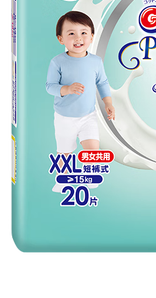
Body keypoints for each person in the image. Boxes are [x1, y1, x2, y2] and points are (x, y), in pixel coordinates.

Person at [46, 11, 115, 192]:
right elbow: (50, 86)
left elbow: (102, 82)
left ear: (91, 36)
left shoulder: (96, 61)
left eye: (84, 33)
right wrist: (67, 89)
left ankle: (90, 176)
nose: (78, 38)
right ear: (61, 39)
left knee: (92, 149)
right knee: (64, 152)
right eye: (71, 33)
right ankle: (62, 180)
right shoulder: (57, 62)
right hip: (64, 117)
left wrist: (108, 103)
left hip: (88, 116)